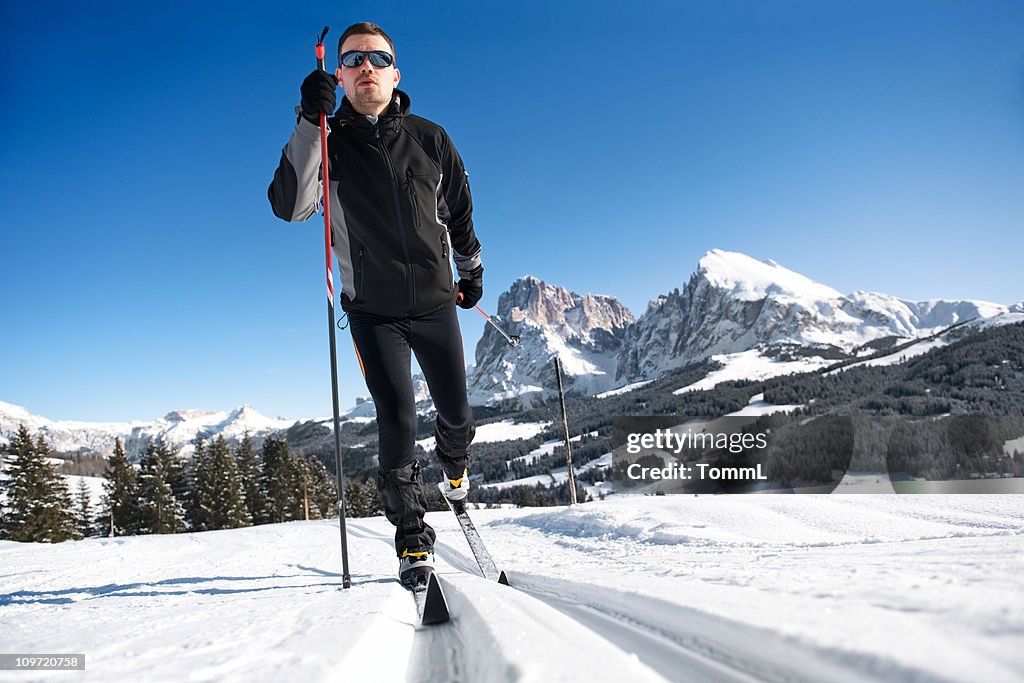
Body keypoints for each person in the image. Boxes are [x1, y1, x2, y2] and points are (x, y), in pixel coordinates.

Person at [268, 21, 483, 588]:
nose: (366, 66)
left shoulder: (430, 137)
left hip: (436, 303)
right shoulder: (326, 139)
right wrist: (306, 123)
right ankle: (412, 539)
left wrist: (472, 272)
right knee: (397, 417)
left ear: (395, 72)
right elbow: (290, 207)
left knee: (456, 414)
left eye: (378, 57)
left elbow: (459, 211)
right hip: (372, 310)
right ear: (337, 75)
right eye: (353, 59)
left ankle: (455, 469)